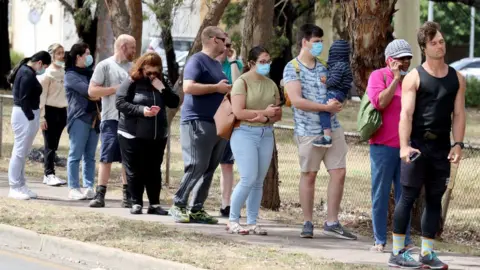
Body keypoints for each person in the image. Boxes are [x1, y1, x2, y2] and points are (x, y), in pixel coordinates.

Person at [388, 21, 466, 269]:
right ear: (424, 47)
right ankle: (397, 253)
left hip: (442, 149)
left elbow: (460, 114)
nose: (439, 46)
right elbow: (406, 114)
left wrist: (458, 145)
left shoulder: (457, 78)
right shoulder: (414, 77)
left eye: (441, 41)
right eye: (434, 43)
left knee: (434, 200)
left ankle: (427, 254)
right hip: (417, 146)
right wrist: (403, 146)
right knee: (408, 197)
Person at [283, 23, 356, 240]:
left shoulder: (325, 66)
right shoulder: (292, 68)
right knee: (309, 175)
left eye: (322, 41)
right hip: (308, 131)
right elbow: (296, 101)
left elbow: (338, 88)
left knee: (339, 172)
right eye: (316, 42)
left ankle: (332, 221)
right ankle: (307, 221)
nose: (320, 46)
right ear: (304, 42)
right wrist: (325, 108)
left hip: (333, 128)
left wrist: (338, 101)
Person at [169, 26, 230, 224]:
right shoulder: (197, 60)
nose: (226, 44)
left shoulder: (216, 64)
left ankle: (196, 209)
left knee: (210, 167)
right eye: (224, 40)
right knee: (197, 164)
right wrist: (216, 87)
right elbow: (187, 87)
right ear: (213, 40)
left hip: (216, 123)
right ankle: (178, 204)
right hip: (197, 121)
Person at [116, 52, 180, 215]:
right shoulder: (132, 81)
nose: (152, 75)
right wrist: (141, 110)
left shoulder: (161, 80)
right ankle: (136, 202)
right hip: (132, 133)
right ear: (141, 68)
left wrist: (163, 88)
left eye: (155, 72)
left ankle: (154, 204)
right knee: (135, 169)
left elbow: (174, 102)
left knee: (153, 169)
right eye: (148, 72)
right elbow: (120, 102)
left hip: (156, 134)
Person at [227, 46, 281, 235]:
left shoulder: (271, 84)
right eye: (262, 62)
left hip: (265, 134)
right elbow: (239, 111)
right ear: (251, 63)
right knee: (248, 177)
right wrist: (263, 113)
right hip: (244, 133)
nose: (266, 65)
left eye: (268, 61)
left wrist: (266, 118)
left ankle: (252, 221)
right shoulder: (242, 82)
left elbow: (277, 113)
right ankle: (233, 219)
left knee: (258, 181)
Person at [366, 39, 414, 253]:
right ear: (390, 60)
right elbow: (380, 102)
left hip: (405, 147)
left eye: (408, 59)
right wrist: (395, 79)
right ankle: (379, 239)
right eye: (401, 59)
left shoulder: (412, 80)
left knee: (406, 194)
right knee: (381, 193)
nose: (405, 63)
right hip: (383, 145)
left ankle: (404, 239)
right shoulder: (379, 76)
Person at [88, 35, 136, 208]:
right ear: (123, 47)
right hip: (111, 119)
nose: (134, 51)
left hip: (130, 120)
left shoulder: (134, 68)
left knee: (127, 159)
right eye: (132, 47)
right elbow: (92, 91)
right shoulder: (105, 66)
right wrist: (115, 90)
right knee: (106, 157)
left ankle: (127, 196)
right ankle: (100, 195)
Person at [7, 51, 51, 200]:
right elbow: (24, 99)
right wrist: (31, 117)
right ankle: (14, 186)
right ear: (40, 63)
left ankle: (21, 184)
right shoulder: (26, 73)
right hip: (24, 115)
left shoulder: (27, 71)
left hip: (27, 114)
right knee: (19, 152)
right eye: (44, 66)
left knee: (23, 152)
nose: (43, 69)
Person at [64, 42, 101, 200]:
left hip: (95, 118)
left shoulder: (91, 73)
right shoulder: (70, 75)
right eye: (86, 53)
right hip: (79, 117)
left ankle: (89, 186)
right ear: (78, 57)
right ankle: (73, 187)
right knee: (75, 154)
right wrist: (102, 92)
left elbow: (97, 91)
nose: (89, 56)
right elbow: (90, 92)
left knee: (90, 155)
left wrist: (100, 92)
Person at [216, 36, 243, 217]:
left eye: (229, 45)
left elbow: (237, 86)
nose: (226, 48)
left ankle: (226, 204)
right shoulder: (208, 63)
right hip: (210, 117)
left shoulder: (235, 64)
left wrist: (233, 62)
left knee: (227, 164)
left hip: (227, 118)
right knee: (205, 163)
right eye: (224, 45)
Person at [38, 43, 68, 187]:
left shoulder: (64, 72)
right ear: (52, 55)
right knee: (49, 144)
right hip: (49, 111)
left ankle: (51, 173)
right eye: (58, 53)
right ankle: (48, 173)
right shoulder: (47, 75)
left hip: (62, 111)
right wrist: (42, 117)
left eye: (63, 53)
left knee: (55, 144)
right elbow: (42, 97)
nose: (61, 56)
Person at [313, 40, 353, 148]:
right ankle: (326, 131)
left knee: (324, 110)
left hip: (336, 92)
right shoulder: (345, 65)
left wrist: (324, 80)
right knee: (327, 112)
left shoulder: (339, 66)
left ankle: (326, 137)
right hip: (341, 94)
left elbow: (334, 81)